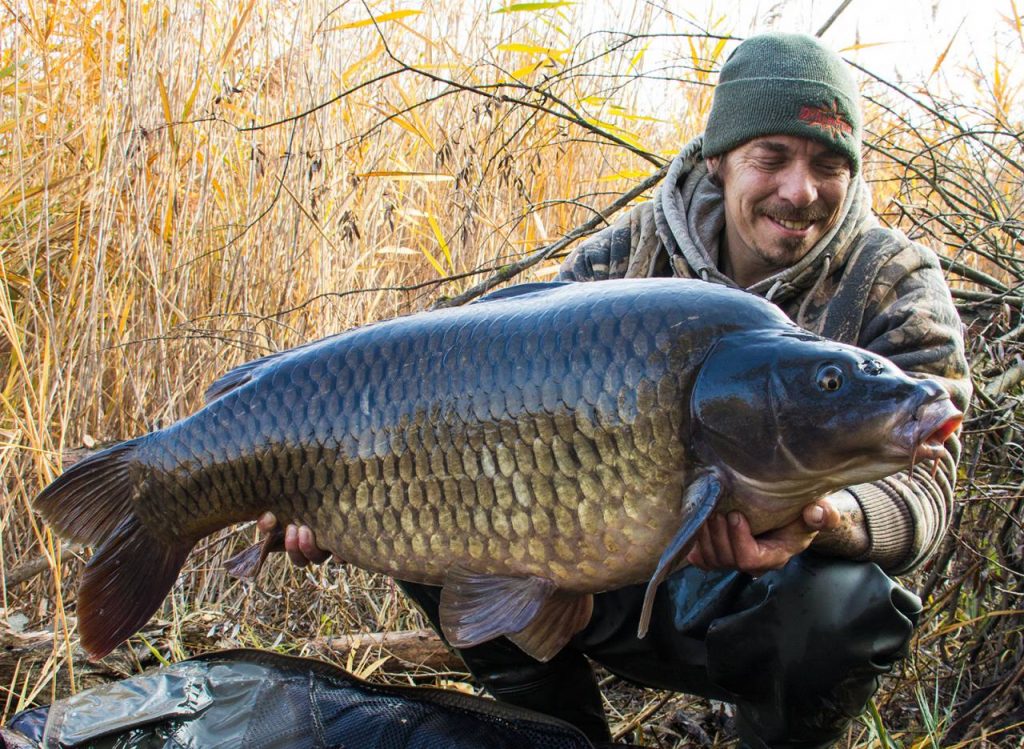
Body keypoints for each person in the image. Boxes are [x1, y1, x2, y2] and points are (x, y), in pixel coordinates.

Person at [263, 32, 971, 748]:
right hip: (602, 569)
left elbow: (931, 487)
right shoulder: (628, 257)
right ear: (721, 159)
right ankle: (555, 735)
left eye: (827, 164)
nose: (800, 190)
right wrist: (326, 489)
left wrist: (822, 517)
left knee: (846, 605)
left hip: (755, 599)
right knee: (440, 507)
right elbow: (489, 380)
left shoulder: (893, 281)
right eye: (772, 158)